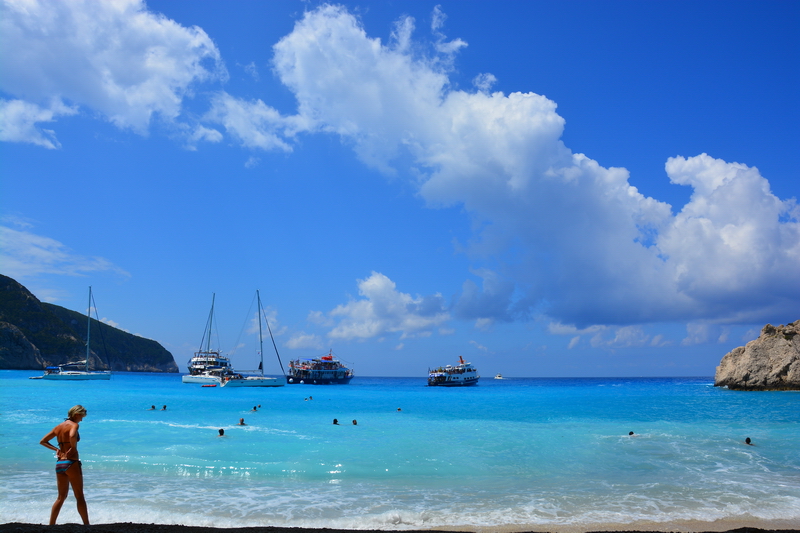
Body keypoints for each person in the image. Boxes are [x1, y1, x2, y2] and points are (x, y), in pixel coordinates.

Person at [39, 405, 90, 525]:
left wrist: (56, 449)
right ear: (76, 414)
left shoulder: (58, 427)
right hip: (71, 462)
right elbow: (72, 435)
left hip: (60, 463)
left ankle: (51, 525)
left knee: (61, 497)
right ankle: (87, 525)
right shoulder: (74, 425)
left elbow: (43, 441)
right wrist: (73, 448)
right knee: (79, 496)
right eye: (82, 416)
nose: (81, 419)